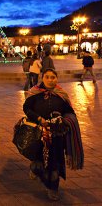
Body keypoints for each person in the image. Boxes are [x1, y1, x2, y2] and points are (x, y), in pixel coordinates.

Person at [23, 69, 83, 201]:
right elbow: (26, 109)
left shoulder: (61, 94)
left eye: (53, 77)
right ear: (42, 78)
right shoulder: (35, 93)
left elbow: (69, 112)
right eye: (47, 77)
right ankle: (35, 169)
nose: (50, 80)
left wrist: (65, 120)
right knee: (39, 159)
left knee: (55, 162)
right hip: (39, 134)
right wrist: (38, 118)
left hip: (56, 135)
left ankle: (53, 188)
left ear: (57, 78)